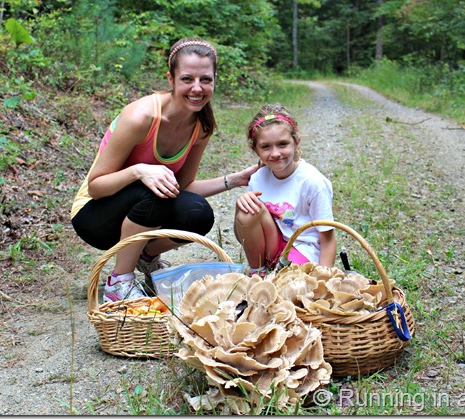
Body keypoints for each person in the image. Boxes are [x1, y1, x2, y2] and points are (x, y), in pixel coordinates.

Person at [71, 38, 258, 303]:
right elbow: (96, 186)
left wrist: (234, 180)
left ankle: (145, 258)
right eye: (187, 79)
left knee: (198, 212)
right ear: (170, 79)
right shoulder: (141, 117)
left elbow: (182, 188)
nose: (197, 88)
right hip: (95, 217)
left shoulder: (201, 126)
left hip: (140, 213)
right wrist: (139, 170)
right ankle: (119, 281)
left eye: (205, 79)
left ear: (215, 80)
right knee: (155, 189)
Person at [233, 104, 336, 277]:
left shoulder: (313, 182)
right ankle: (257, 272)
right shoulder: (258, 178)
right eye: (266, 147)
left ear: (296, 142)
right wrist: (239, 207)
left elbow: (328, 239)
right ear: (255, 149)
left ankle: (282, 274)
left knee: (288, 286)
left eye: (282, 144)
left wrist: (325, 279)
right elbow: (242, 235)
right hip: (274, 245)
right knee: (247, 210)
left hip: (303, 248)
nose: (275, 153)